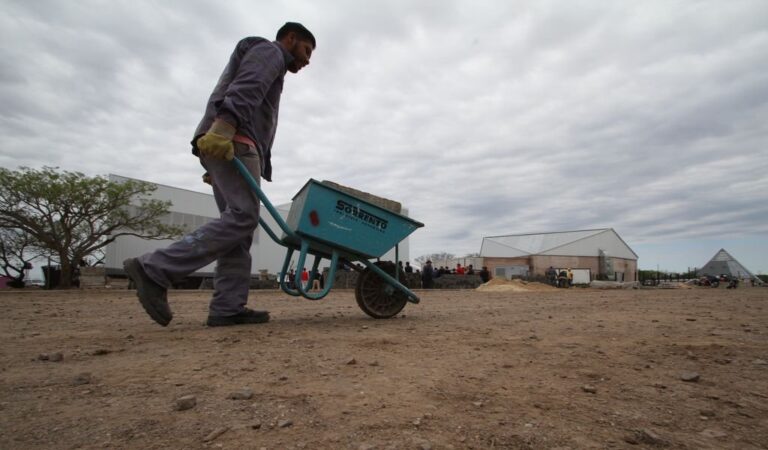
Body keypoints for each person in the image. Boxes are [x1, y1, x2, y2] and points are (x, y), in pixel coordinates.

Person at [123, 22, 316, 327]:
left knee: (237, 229)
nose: (307, 61)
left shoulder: (268, 59)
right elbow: (249, 85)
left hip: (225, 142)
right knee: (243, 217)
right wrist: (224, 129)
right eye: (306, 50)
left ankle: (227, 306)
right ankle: (154, 269)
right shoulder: (270, 52)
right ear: (290, 39)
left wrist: (214, 157)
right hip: (235, 138)